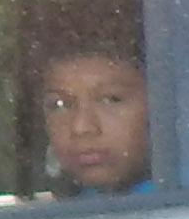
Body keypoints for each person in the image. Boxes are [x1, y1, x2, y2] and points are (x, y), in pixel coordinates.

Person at [34, 39, 153, 197]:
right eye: (59, 104)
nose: (81, 127)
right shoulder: (63, 207)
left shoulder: (178, 202)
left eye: (111, 99)